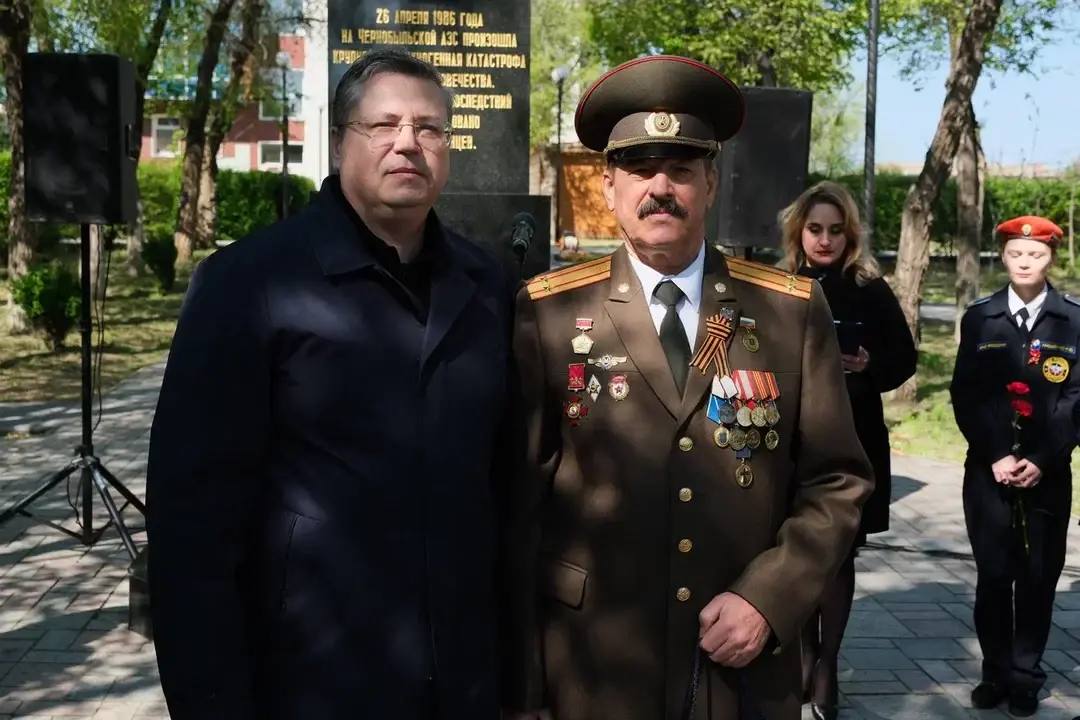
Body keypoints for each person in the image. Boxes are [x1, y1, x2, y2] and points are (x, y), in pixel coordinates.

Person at [501, 55, 873, 720]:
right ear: (609, 185)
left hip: (739, 668)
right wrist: (525, 690)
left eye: (680, 169)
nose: (660, 188)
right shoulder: (550, 311)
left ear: (711, 181)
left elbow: (837, 479)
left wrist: (771, 598)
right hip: (594, 666)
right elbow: (519, 504)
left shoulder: (788, 310)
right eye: (640, 168)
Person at [146, 49, 512, 719]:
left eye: (429, 128)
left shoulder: (489, 288)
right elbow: (191, 527)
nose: (409, 143)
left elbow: (509, 491)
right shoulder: (248, 284)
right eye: (385, 125)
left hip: (463, 681)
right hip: (312, 678)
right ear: (341, 142)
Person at [778, 181, 917, 720]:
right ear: (799, 231)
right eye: (815, 229)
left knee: (838, 553)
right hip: (788, 442)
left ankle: (827, 666)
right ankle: (802, 655)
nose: (825, 240)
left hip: (853, 439)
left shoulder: (867, 286)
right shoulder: (779, 284)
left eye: (836, 230)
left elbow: (903, 358)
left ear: (850, 234)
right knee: (796, 552)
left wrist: (867, 365)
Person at [950, 215, 1080, 717]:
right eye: (1016, 254)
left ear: (1051, 258)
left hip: (1048, 474)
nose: (1025, 262)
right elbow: (966, 394)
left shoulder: (1072, 319)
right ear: (1002, 256)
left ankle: (1026, 675)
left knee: (1038, 579)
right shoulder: (981, 318)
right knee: (993, 575)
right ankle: (995, 673)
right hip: (989, 472)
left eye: (1036, 254)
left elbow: (1075, 399)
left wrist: (1043, 458)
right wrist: (996, 454)